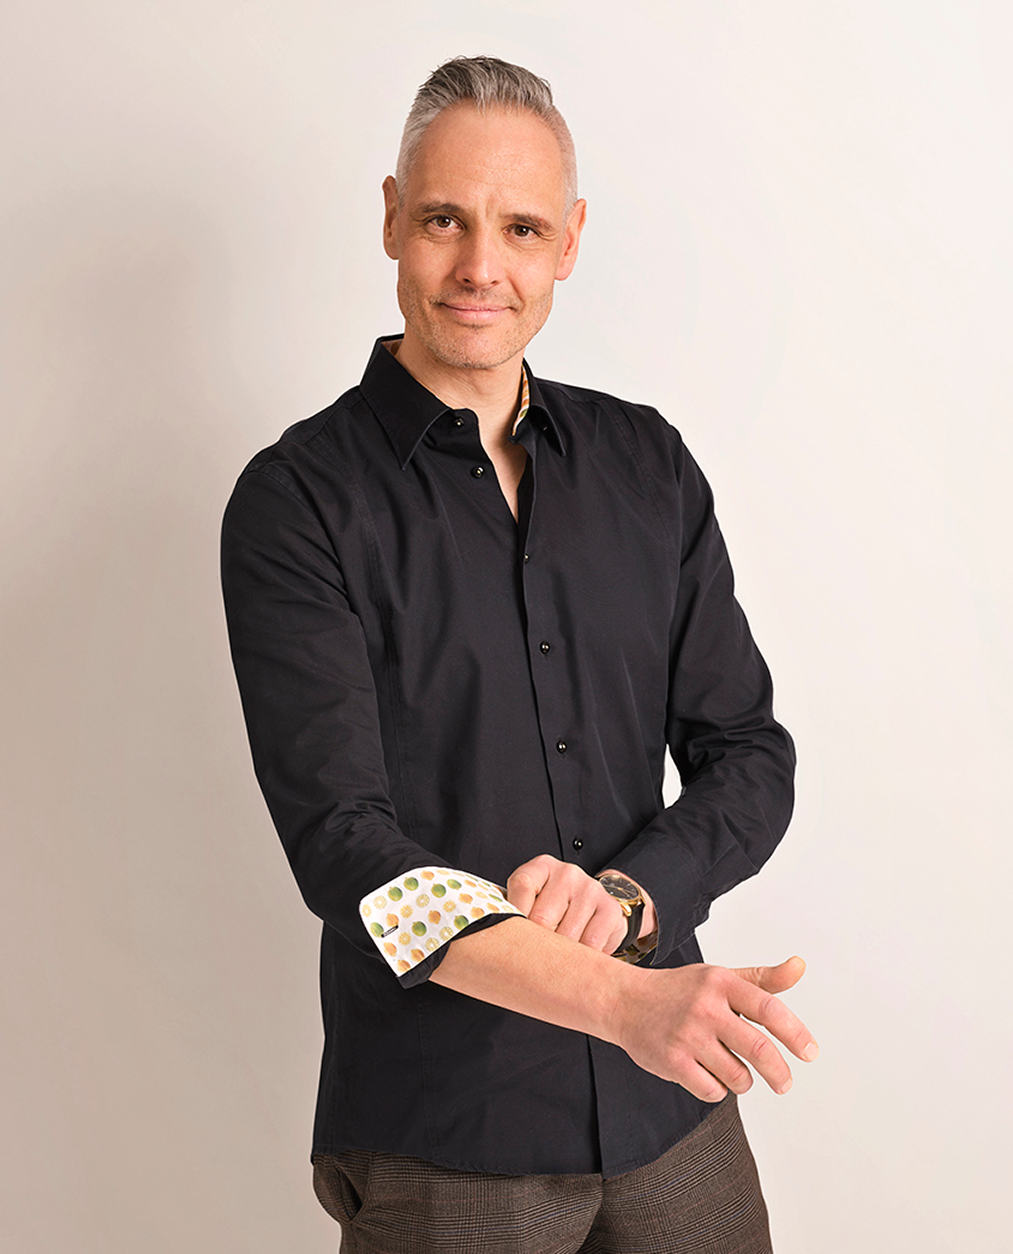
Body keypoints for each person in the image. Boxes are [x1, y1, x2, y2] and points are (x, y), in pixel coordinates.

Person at [221, 54, 816, 1254]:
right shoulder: (299, 503)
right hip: (447, 1140)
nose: (481, 266)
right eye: (446, 219)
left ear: (570, 241)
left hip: (672, 1115)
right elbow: (347, 849)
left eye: (522, 228)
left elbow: (749, 752)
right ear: (392, 217)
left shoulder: (648, 466)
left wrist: (631, 903)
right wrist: (623, 1001)